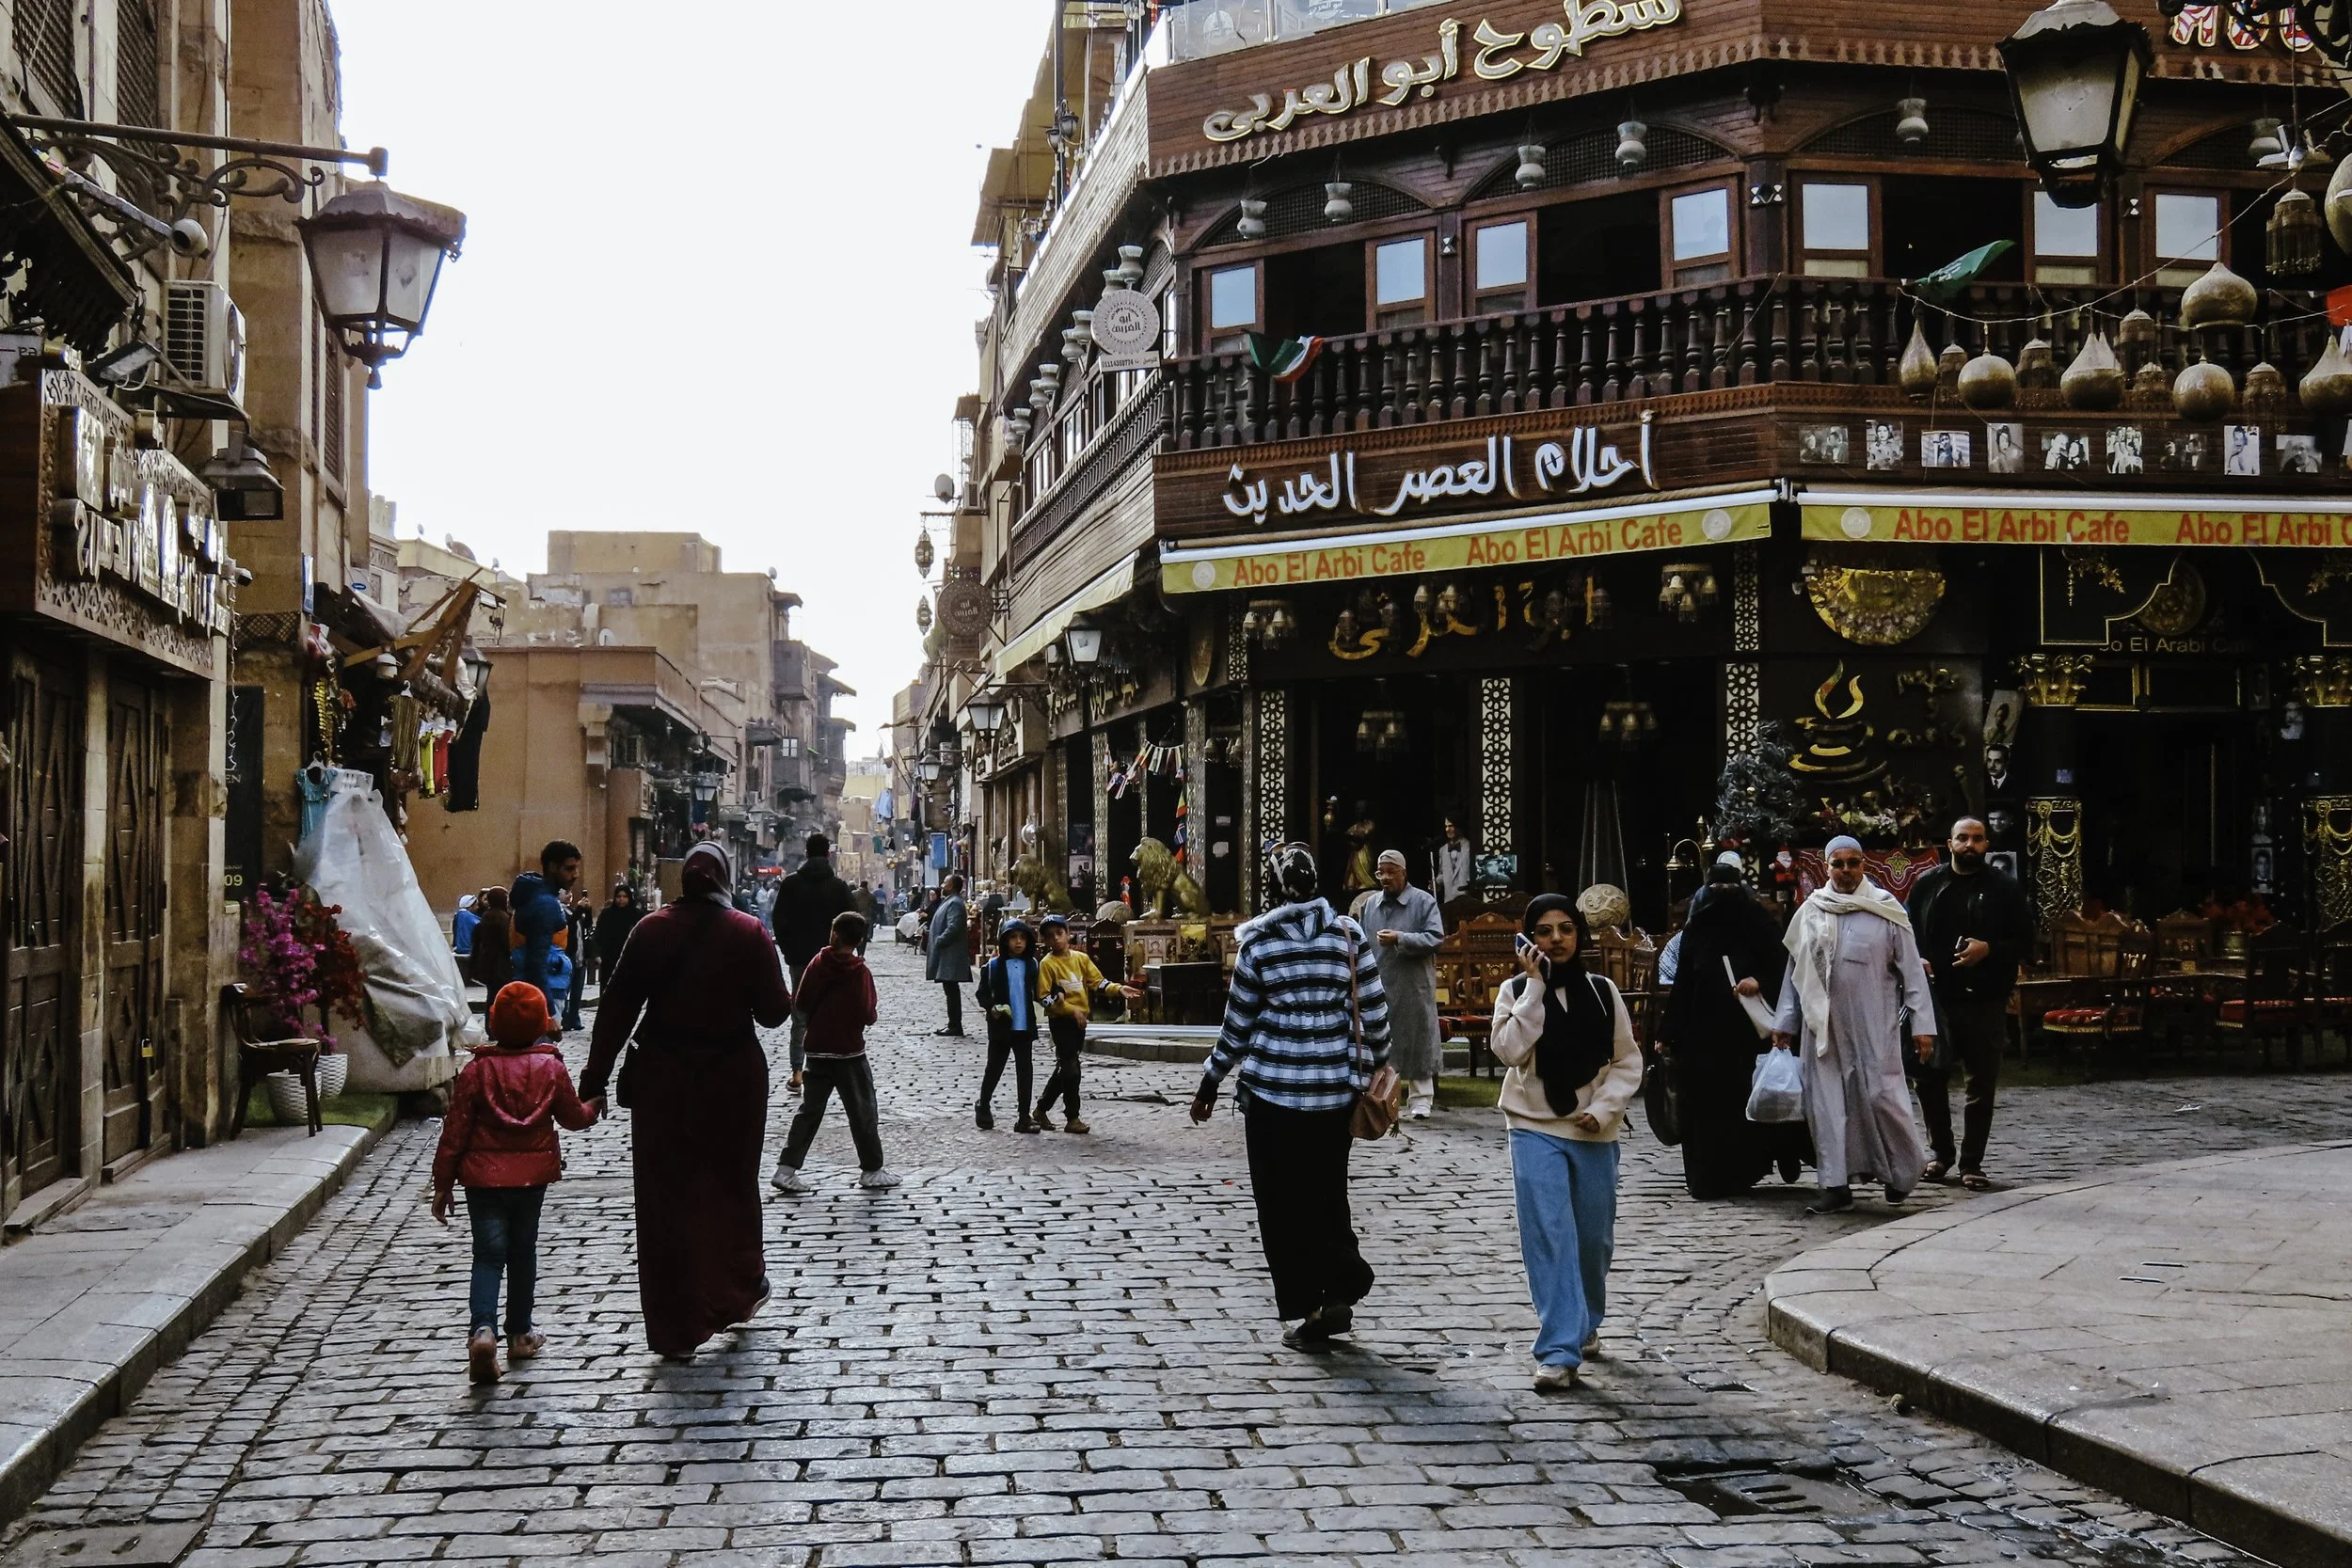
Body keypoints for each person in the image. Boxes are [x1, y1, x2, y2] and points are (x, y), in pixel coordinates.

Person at [580, 840, 790, 1360]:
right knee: (731, 1188)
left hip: (664, 1079)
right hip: (731, 1079)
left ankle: (675, 1328)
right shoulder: (747, 931)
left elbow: (617, 1007)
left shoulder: (650, 930)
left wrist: (594, 1078)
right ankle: (735, 1293)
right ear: (723, 879)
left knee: (664, 1199)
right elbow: (773, 1013)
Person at [1190, 843, 1391, 1348]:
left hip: (1272, 1096)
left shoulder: (1259, 945)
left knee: (1281, 1203)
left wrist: (1210, 1081)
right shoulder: (1348, 935)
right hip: (1333, 1095)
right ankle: (1340, 1280)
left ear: (1272, 890)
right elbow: (1375, 1014)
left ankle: (1310, 1307)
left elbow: (1237, 1027)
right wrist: (1373, 1070)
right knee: (1327, 1192)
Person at [1490, 895, 1644, 1390]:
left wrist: (1603, 1109)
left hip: (1591, 1127)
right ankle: (1558, 1348)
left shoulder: (1602, 992)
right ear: (1529, 939)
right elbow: (1510, 1051)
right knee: (1549, 1235)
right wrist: (1534, 988)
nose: (1555, 939)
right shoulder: (1514, 991)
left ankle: (1585, 1322)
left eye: (1565, 929)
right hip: (1532, 1123)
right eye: (1543, 931)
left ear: (1579, 935)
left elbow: (1626, 1060)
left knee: (1592, 1240)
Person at [431, 981, 600, 1385]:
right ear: (542, 1023)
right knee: (523, 1251)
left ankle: (482, 1331)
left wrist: (443, 1183)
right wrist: (593, 1108)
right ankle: (520, 1333)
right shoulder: (552, 1068)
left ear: (492, 1021)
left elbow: (454, 1132)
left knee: (487, 1255)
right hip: (530, 1180)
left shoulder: (476, 1071)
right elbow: (573, 1117)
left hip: (483, 1181)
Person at [1771, 836, 1937, 1215]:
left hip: (1873, 1026)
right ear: (1826, 868)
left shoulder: (1886, 911)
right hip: (1821, 1029)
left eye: (1853, 863)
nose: (1846, 871)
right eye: (1838, 864)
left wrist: (1922, 1025)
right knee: (1826, 1106)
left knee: (1882, 1098)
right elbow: (1795, 971)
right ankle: (1834, 1184)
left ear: (1864, 866)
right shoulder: (1811, 910)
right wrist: (1786, 1021)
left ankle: (1901, 1174)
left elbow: (1912, 972)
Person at [1657, 854, 1805, 1199]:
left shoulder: (1759, 924)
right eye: (1716, 888)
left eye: (1728, 887)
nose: (1722, 895)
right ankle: (1705, 1177)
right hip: (1703, 1033)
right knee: (1704, 1108)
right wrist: (1668, 1034)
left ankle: (1745, 1170)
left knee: (1741, 1102)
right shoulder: (1697, 928)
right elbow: (1684, 983)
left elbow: (1784, 968)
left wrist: (1759, 981)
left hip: (1744, 1035)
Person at [1905, 817, 2032, 1191]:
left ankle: (1972, 1162)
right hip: (1935, 998)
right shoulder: (1928, 884)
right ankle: (1940, 1153)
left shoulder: (2004, 889)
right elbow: (1907, 932)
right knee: (1928, 1078)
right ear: (1950, 843)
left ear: (1986, 844)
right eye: (1963, 838)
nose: (1970, 845)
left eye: (1977, 839)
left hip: (1984, 999)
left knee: (1980, 1083)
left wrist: (1989, 949)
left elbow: (2025, 940)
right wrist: (1917, 960)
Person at [771, 911, 898, 1192]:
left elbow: (801, 1002)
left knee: (809, 1112)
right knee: (863, 1110)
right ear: (860, 940)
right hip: (849, 1051)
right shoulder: (860, 972)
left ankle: (786, 1168)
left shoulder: (818, 963)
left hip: (817, 1050)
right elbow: (868, 1013)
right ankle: (872, 1168)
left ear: (834, 934)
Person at [1351, 849, 1445, 1119]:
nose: (1385, 878)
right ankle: (1382, 1097)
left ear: (1404, 873)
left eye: (1391, 872)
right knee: (1380, 1041)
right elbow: (1361, 944)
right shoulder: (1370, 906)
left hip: (1413, 984)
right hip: (1380, 984)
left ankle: (1421, 1100)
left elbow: (1436, 938)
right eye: (1381, 872)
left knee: (1418, 1040)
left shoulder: (1423, 902)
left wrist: (1401, 939)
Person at [1033, 914, 1139, 1134]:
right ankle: (1072, 1117)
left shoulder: (1081, 959)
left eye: (1059, 933)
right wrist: (1070, 1009)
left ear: (1068, 933)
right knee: (1071, 1068)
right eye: (1050, 936)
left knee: (1065, 1067)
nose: (1056, 939)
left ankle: (1041, 1109)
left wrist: (1119, 989)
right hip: (1061, 1021)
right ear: (1044, 940)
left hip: (1079, 1023)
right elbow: (1044, 996)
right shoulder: (1047, 964)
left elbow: (1097, 982)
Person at [775, 834, 858, 1092]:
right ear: (829, 854)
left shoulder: (790, 885)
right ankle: (830, 1069)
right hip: (833, 959)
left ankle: (797, 1072)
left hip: (800, 960)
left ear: (806, 853)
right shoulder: (839, 887)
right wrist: (848, 952)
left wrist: (790, 951)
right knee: (832, 1012)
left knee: (800, 1016)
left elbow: (779, 920)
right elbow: (855, 921)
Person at [976, 918, 1043, 1132]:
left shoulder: (1032, 965)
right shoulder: (993, 967)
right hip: (1001, 1029)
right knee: (994, 1068)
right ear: (1004, 941)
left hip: (1024, 1027)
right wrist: (991, 1008)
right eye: (1013, 937)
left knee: (1025, 1071)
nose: (1018, 942)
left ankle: (1024, 1116)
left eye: (1022, 938)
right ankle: (983, 1104)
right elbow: (982, 994)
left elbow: (1040, 991)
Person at [510, 840, 582, 1013]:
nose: (576, 874)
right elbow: (536, 961)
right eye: (569, 868)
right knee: (542, 1041)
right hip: (544, 993)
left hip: (539, 990)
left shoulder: (542, 898)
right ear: (552, 867)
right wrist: (549, 1011)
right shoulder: (546, 904)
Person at [928, 874, 972, 1037]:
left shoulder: (955, 903)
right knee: (950, 990)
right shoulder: (950, 902)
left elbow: (954, 927)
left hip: (950, 954)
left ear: (952, 886)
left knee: (952, 990)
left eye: (945, 883)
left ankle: (955, 1025)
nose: (942, 885)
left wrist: (940, 940)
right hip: (947, 954)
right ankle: (953, 1023)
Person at [593, 885, 642, 986]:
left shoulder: (636, 914)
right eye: (619, 896)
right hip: (609, 958)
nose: (621, 899)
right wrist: (596, 954)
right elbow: (598, 934)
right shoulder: (607, 914)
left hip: (630, 959)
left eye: (625, 896)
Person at [467, 887, 513, 993]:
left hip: (486, 963)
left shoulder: (485, 917)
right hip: (501, 964)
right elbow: (507, 942)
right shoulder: (503, 918)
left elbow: (476, 941)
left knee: (491, 994)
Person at [561, 891, 591, 1032]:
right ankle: (565, 1019)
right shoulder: (559, 911)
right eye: (566, 892)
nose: (570, 895)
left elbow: (586, 925)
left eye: (570, 892)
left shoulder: (571, 910)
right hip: (568, 954)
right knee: (566, 989)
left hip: (580, 954)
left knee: (577, 990)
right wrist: (579, 910)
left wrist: (588, 910)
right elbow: (568, 925)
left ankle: (575, 1017)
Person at [851, 881, 880, 954]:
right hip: (867, 918)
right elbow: (875, 906)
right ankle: (861, 953)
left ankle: (854, 950)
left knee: (855, 935)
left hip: (855, 917)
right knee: (864, 936)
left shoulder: (854, 894)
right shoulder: (871, 896)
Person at [453, 894, 479, 959]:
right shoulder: (467, 917)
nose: (477, 907)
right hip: (468, 950)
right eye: (476, 905)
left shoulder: (458, 915)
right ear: (470, 906)